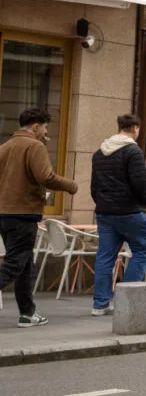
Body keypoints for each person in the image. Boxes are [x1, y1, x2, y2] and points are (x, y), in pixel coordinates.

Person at [0, 108, 77, 327]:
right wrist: (71, 185)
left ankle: (27, 313)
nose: (45, 132)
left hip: (4, 214)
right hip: (23, 214)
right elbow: (46, 176)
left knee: (24, 265)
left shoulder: (5, 147)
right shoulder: (35, 146)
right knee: (15, 264)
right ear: (35, 126)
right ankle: (27, 313)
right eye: (44, 127)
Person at [90, 114, 146, 316]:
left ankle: (100, 304)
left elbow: (94, 187)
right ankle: (124, 301)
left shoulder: (99, 153)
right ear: (135, 129)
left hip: (105, 212)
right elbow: (140, 182)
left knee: (105, 257)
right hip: (129, 211)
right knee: (142, 249)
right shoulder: (133, 151)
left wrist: (102, 203)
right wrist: (145, 200)